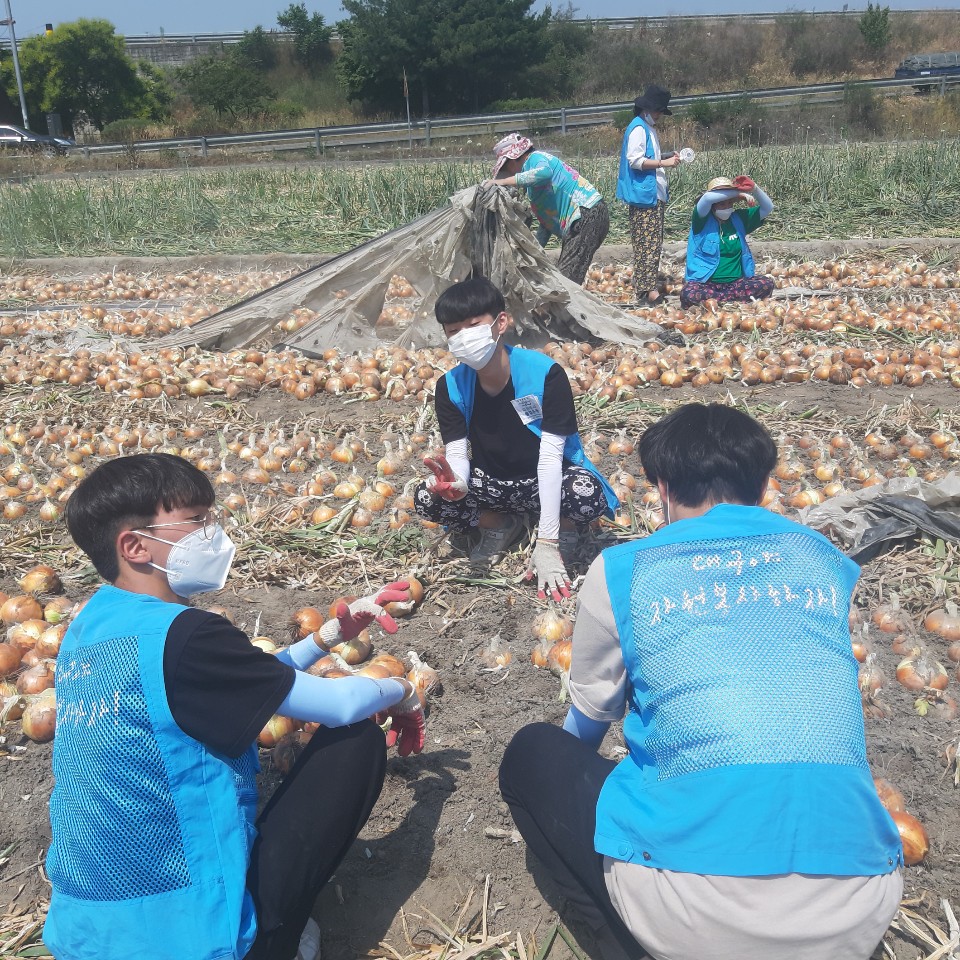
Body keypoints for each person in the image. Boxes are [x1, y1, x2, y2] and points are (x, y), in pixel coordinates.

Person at [499, 403, 904, 960]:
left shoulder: (624, 569)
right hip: (860, 906)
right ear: (763, 485)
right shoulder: (824, 561)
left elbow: (589, 722)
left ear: (663, 488)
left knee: (533, 754)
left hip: (696, 917)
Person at [44, 452, 426, 960]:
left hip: (89, 933)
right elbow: (340, 704)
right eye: (196, 521)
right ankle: (275, 941)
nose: (215, 534)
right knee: (355, 742)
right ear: (135, 546)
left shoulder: (92, 626)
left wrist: (331, 635)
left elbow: (243, 683)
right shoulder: (185, 635)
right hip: (196, 940)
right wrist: (402, 690)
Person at [413, 276, 618, 598]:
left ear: (501, 323)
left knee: (585, 492)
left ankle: (563, 529)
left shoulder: (545, 374)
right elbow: (457, 452)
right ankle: (497, 524)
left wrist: (547, 542)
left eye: (473, 325)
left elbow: (550, 458)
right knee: (427, 498)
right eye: (453, 331)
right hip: (491, 483)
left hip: (543, 478)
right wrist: (457, 484)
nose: (463, 337)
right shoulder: (449, 386)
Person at [486, 133, 609, 285]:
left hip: (586, 214)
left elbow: (544, 173)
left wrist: (504, 181)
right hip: (584, 219)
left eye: (506, 167)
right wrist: (535, 252)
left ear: (513, 159)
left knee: (567, 282)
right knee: (565, 277)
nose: (509, 173)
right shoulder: (534, 186)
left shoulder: (535, 158)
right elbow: (547, 223)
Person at [617, 85, 682, 306]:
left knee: (651, 242)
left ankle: (646, 285)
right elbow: (635, 160)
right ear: (647, 109)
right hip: (644, 196)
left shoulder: (647, 128)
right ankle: (647, 291)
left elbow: (648, 155)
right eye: (658, 110)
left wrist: (666, 156)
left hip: (651, 195)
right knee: (648, 244)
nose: (660, 115)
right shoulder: (638, 129)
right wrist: (664, 163)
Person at [680, 175, 776, 308]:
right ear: (713, 206)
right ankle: (732, 301)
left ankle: (719, 301)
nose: (727, 207)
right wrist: (739, 193)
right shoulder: (701, 221)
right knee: (689, 293)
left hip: (736, 284)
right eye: (722, 204)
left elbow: (768, 207)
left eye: (730, 203)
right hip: (706, 284)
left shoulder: (739, 219)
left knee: (766, 284)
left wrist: (754, 189)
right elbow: (707, 198)